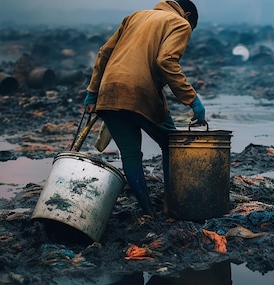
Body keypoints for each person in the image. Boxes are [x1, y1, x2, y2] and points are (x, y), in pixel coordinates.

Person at [83, 0, 205, 219]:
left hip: (109, 92)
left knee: (130, 154)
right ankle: (171, 206)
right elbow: (166, 61)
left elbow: (103, 52)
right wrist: (192, 99)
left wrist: (92, 92)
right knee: (172, 145)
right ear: (186, 15)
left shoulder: (135, 16)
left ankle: (147, 211)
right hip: (140, 91)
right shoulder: (180, 23)